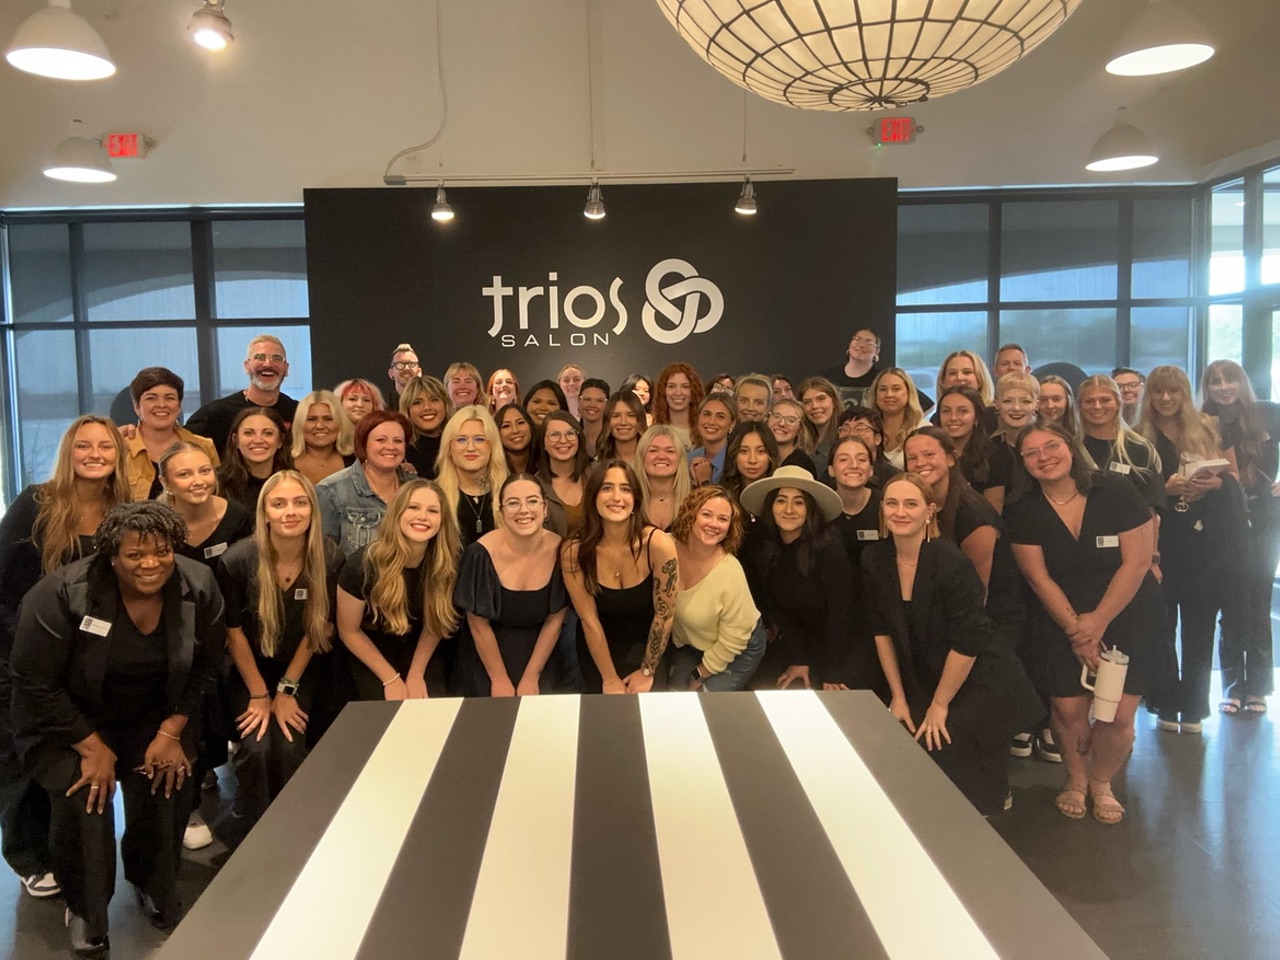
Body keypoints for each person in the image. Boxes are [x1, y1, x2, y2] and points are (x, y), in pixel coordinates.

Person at [11, 502, 224, 951]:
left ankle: (153, 884)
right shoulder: (61, 593)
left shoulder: (197, 584)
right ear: (111, 555)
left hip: (155, 714)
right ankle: (87, 908)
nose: (151, 563)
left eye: (162, 552)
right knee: (86, 797)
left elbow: (206, 667)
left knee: (167, 784)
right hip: (67, 720)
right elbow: (34, 681)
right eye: (135, 555)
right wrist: (91, 746)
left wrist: (171, 732)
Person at [1007, 424, 1167, 823]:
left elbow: (1138, 561)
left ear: (1070, 447)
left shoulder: (1115, 490)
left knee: (1119, 714)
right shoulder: (1023, 509)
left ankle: (1102, 780)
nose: (1044, 456)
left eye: (1052, 446)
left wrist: (1097, 622)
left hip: (1129, 612)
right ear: (1024, 464)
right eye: (1032, 453)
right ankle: (1075, 780)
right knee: (1066, 708)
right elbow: (1037, 577)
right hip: (1061, 618)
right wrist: (1078, 632)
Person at [0, 416, 129, 904]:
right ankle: (29, 857)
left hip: (90, 660)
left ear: (118, 453)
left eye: (105, 446)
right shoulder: (36, 503)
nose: (94, 454)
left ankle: (70, 853)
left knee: (73, 758)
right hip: (20, 654)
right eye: (84, 446)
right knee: (21, 759)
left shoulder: (125, 509)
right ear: (68, 453)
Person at [864, 475, 1041, 817]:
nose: (900, 512)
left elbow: (968, 641)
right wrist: (898, 697)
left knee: (949, 748)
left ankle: (990, 800)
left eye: (911, 504)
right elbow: (881, 631)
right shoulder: (874, 558)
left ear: (929, 511)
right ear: (882, 509)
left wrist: (939, 704)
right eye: (892, 503)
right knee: (910, 748)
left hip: (978, 676)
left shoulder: (951, 563)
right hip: (928, 671)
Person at [216, 471, 342, 840]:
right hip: (248, 670)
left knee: (288, 747)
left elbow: (317, 629)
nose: (291, 511)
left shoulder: (330, 556)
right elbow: (233, 633)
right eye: (279, 503)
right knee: (256, 749)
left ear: (312, 510)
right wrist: (260, 694)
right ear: (265, 512)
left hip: (300, 669)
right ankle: (255, 828)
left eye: (300, 502)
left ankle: (294, 830)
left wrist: (286, 690)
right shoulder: (238, 560)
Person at [1137, 365, 1247, 732]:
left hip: (1204, 543)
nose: (1166, 399)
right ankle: (1166, 703)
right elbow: (1130, 493)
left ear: (1185, 393)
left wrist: (1213, 484)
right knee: (1161, 627)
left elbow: (1233, 481)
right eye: (1158, 392)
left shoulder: (1209, 427)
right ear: (1149, 396)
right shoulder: (1138, 437)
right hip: (1160, 542)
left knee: (1200, 627)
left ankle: (1196, 706)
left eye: (1174, 392)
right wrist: (1163, 491)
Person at [1201, 359, 1280, 714]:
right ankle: (1232, 685)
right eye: (1214, 381)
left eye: (1229, 379)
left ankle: (1259, 687)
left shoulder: (1268, 413)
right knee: (1230, 604)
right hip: (1221, 520)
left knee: (1260, 602)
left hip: (1264, 518)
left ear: (1242, 382)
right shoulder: (1203, 421)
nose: (1222, 386)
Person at [336, 479, 461, 700]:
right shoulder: (362, 564)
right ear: (397, 514)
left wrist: (416, 673)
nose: (422, 516)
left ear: (443, 521)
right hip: (370, 650)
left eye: (432, 511)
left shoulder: (447, 564)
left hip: (421, 650)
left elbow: (435, 622)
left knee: (428, 715)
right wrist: (390, 678)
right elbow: (349, 630)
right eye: (413, 507)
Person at [562, 460, 678, 693]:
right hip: (597, 651)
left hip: (648, 651)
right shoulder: (573, 551)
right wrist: (609, 678)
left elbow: (664, 615)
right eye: (607, 488)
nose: (616, 497)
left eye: (625, 489)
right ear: (593, 497)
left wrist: (647, 671)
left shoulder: (658, 544)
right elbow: (589, 619)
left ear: (635, 499)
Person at [739, 465, 852, 690]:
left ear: (810, 509)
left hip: (838, 645)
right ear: (770, 506)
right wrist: (799, 658)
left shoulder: (829, 548)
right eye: (781, 500)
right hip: (794, 642)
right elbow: (776, 608)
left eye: (799, 502)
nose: (789, 509)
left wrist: (832, 672)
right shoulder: (764, 547)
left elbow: (841, 613)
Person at [455, 475, 568, 696]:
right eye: (513, 503)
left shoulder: (562, 552)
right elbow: (478, 626)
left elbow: (555, 620)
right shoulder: (479, 554)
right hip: (487, 656)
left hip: (543, 654)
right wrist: (498, 679)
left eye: (533, 501)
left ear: (545, 509)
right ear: (501, 511)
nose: (524, 510)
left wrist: (531, 677)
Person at [667, 487, 766, 692]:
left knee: (704, 699)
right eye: (706, 514)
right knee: (674, 695)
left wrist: (700, 675)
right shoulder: (666, 547)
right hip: (695, 640)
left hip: (740, 645)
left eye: (723, 519)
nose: (714, 524)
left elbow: (733, 641)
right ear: (690, 514)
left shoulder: (730, 572)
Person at [825, 436, 888, 696]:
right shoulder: (820, 510)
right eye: (843, 459)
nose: (854, 465)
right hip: (830, 617)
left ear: (872, 469)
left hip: (877, 618)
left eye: (861, 459)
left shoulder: (887, 506)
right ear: (831, 470)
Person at [316, 410, 415, 555]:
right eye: (381, 440)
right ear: (363, 444)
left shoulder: (416, 488)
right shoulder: (330, 491)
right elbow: (323, 560)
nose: (391, 447)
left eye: (398, 441)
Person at [186, 334, 297, 453]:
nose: (268, 364)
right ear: (247, 366)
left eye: (277, 358)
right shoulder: (216, 414)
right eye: (260, 357)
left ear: (286, 369)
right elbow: (181, 445)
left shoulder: (298, 413)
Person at [122, 367, 219, 501]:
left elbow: (215, 497)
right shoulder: (121, 448)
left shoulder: (203, 446)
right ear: (137, 406)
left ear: (179, 406)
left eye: (169, 398)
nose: (161, 405)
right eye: (151, 398)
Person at [1077, 375, 1164, 513]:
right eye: (1089, 401)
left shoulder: (1140, 449)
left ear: (1118, 403)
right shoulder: (1069, 449)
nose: (1097, 406)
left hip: (1129, 530)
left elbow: (1151, 505)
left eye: (1105, 400)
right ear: (1080, 406)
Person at [160, 441, 253, 566]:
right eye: (184, 474)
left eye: (205, 471)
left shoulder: (238, 517)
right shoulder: (154, 523)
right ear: (165, 482)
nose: (198, 481)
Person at [435, 405, 509, 549]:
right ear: (449, 448)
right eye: (461, 440)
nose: (470, 448)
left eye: (479, 439)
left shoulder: (511, 493)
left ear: (492, 447)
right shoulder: (435, 496)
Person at [937, 386, 1011, 512]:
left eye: (962, 411)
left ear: (976, 417)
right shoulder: (930, 453)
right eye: (946, 411)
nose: (953, 417)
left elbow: (993, 516)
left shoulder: (994, 456)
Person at [217, 406, 292, 512]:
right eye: (248, 433)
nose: (258, 440)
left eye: (268, 433)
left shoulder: (294, 483)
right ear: (235, 440)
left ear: (280, 440)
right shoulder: (218, 485)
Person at [536, 410, 590, 538]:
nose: (563, 440)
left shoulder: (596, 474)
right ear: (543, 443)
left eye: (570, 433)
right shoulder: (534, 486)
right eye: (554, 434)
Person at [291, 390, 355, 487]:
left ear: (340, 423)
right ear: (300, 424)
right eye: (311, 419)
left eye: (328, 419)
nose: (320, 426)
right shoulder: (283, 462)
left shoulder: (356, 463)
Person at [635, 424, 692, 531]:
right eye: (653, 450)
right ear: (642, 457)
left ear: (680, 459)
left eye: (670, 451)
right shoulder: (629, 500)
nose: (661, 456)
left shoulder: (695, 502)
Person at [871, 367, 925, 469]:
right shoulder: (867, 430)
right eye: (883, 389)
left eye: (896, 389)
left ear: (909, 393)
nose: (889, 394)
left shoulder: (923, 429)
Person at [837, 406, 902, 490]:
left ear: (877, 439)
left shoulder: (893, 478)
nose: (851, 434)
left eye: (860, 428)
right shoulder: (831, 473)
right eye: (845, 428)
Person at [399, 375, 450, 479]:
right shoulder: (399, 450)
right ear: (407, 410)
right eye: (417, 402)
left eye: (434, 400)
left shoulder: (456, 445)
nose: (427, 407)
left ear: (445, 404)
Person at [720, 421, 780, 504]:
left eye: (761, 451)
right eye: (744, 451)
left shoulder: (780, 496)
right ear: (733, 455)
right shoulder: (722, 498)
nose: (752, 460)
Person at [823, 327, 882, 408]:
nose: (861, 344)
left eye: (869, 343)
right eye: (857, 339)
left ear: (877, 351)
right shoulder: (829, 377)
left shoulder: (880, 379)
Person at [931, 350, 995, 425]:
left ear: (980, 379)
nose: (959, 377)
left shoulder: (994, 416)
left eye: (967, 372)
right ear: (943, 381)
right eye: (952, 373)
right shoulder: (936, 419)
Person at [688, 394, 737, 486]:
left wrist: (704, 480)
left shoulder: (737, 460)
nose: (711, 422)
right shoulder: (688, 459)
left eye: (720, 416)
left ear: (732, 424)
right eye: (707, 414)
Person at [652, 362, 704, 447]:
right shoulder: (653, 433)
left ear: (694, 391)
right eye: (671, 386)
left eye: (685, 387)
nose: (678, 393)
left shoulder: (705, 432)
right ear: (663, 391)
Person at [768, 396, 818, 474]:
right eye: (777, 416)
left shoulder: (801, 464)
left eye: (791, 420)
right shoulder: (763, 459)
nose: (782, 423)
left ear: (800, 429)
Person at [597, 391, 646, 463]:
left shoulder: (652, 460)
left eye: (631, 415)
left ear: (640, 419)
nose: (623, 422)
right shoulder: (598, 463)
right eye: (616, 415)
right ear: (607, 421)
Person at [497, 402, 536, 474]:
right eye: (506, 426)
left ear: (530, 426)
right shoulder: (490, 470)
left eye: (520, 423)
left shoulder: (546, 464)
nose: (515, 430)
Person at [1037, 375, 1081, 439]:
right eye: (1043, 400)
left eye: (1056, 399)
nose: (1050, 406)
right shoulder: (1028, 436)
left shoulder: (1083, 436)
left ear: (1068, 401)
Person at [578, 377, 610, 459]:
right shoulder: (572, 438)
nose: (592, 405)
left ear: (608, 404)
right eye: (587, 399)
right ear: (579, 401)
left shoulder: (613, 440)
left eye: (599, 400)